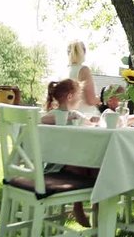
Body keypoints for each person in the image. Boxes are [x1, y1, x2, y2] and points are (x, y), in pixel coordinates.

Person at [40, 79, 95, 227]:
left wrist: (91, 119)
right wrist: (66, 117)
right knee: (92, 169)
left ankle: (93, 212)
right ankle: (81, 208)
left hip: (73, 161)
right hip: (57, 166)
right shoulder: (55, 113)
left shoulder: (76, 114)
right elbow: (42, 119)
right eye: (79, 95)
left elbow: (89, 122)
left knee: (95, 167)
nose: (81, 98)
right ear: (70, 97)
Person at [66, 40, 100, 118]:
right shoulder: (84, 70)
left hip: (68, 116)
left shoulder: (64, 72)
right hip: (86, 117)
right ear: (84, 52)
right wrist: (101, 99)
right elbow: (90, 100)